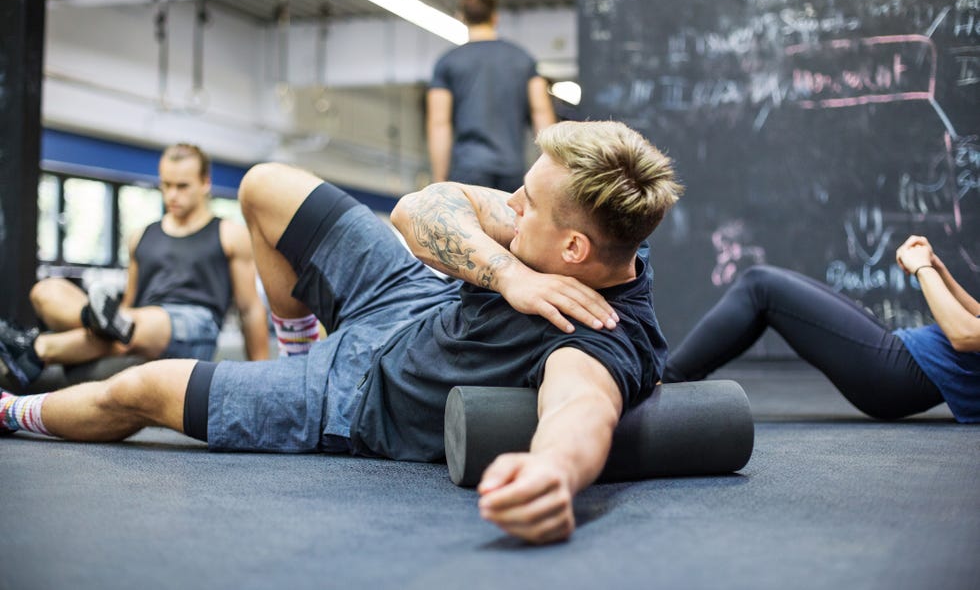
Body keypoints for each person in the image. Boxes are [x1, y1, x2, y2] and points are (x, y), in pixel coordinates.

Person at [0, 121, 682, 544]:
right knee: (265, 186)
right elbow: (422, 209)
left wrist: (554, 473)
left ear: (572, 250)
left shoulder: (601, 334)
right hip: (409, 296)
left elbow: (581, 408)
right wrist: (508, 274)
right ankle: (300, 346)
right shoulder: (562, 236)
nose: (509, 205)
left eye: (525, 205)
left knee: (142, 387)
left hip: (353, 395)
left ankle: (8, 409)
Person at [0, 144, 270, 390]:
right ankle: (88, 325)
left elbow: (249, 310)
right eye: (166, 185)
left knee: (139, 321)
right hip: (135, 327)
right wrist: (113, 322)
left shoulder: (230, 234)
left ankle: (37, 347)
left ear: (205, 183)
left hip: (193, 326)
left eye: (182, 186)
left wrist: (260, 379)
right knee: (47, 290)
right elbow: (129, 302)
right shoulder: (141, 236)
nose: (172, 195)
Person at [663, 236, 980, 423]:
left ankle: (663, 385)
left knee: (761, 286)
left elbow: (965, 336)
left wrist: (922, 268)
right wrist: (937, 267)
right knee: (762, 287)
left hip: (898, 374)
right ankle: (668, 383)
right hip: (903, 355)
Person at [427, 0, 557, 192]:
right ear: (494, 17)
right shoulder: (523, 59)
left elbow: (439, 124)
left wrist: (439, 179)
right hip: (512, 169)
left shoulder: (447, 63)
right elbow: (541, 112)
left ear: (462, 17)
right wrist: (552, 168)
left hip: (467, 169)